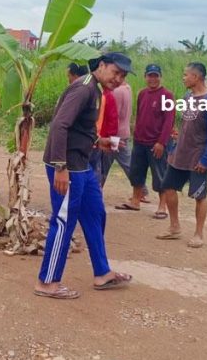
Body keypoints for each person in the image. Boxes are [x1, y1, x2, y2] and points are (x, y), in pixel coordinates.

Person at [34, 52, 134, 299]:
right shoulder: (84, 89)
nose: (118, 79)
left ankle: (102, 273)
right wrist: (59, 166)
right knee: (64, 222)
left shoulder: (97, 91)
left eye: (122, 76)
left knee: (95, 215)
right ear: (101, 66)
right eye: (115, 72)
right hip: (68, 167)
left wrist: (100, 141)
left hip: (83, 165)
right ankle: (47, 283)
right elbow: (59, 125)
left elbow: (81, 129)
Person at [156, 62, 207, 248]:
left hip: (198, 157)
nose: (183, 78)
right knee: (168, 186)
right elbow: (185, 126)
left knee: (199, 196)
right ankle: (174, 227)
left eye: (186, 75)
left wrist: (206, 159)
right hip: (180, 154)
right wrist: (174, 148)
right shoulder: (187, 96)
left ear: (196, 77)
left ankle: (198, 234)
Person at [116, 64, 175, 217]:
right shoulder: (142, 93)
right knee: (136, 172)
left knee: (160, 175)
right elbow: (140, 114)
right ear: (145, 77)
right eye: (150, 75)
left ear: (160, 77)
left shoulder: (167, 95)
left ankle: (162, 206)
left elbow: (169, 122)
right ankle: (135, 201)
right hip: (139, 141)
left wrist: (161, 142)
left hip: (156, 143)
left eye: (156, 75)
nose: (153, 79)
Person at [100, 79, 134, 188]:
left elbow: (114, 116)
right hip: (122, 132)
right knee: (125, 163)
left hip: (115, 135)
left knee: (104, 164)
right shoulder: (127, 88)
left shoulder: (117, 92)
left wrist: (109, 136)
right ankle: (141, 190)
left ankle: (141, 190)